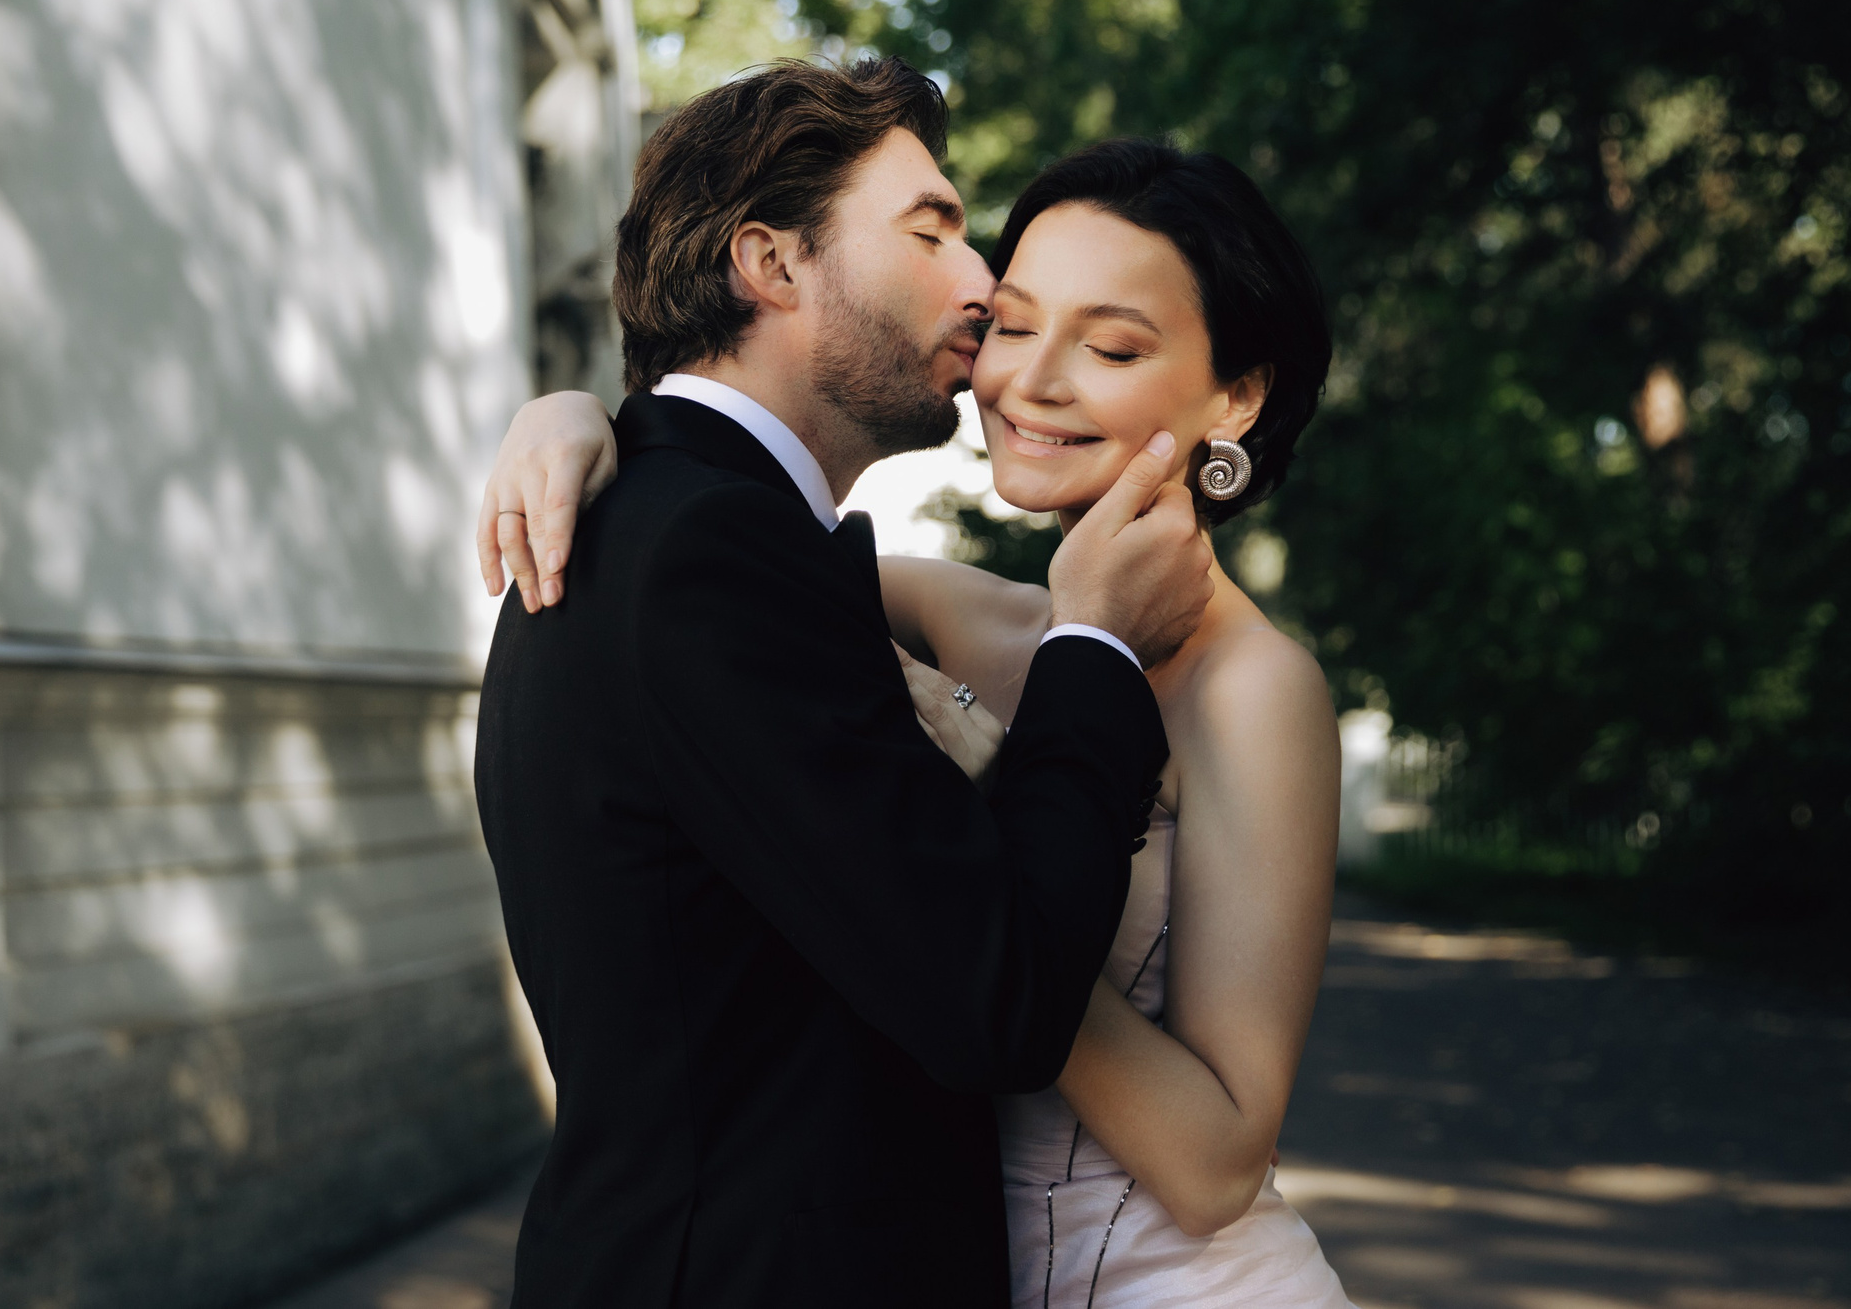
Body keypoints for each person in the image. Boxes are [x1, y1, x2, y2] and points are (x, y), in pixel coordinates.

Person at [484, 137, 1356, 1307]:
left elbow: (1215, 1165)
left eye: (1108, 347)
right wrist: (574, 421)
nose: (1029, 381)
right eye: (1012, 325)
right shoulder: (951, 613)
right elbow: (703, 550)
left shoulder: (1253, 687)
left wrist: (965, 903)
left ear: (1235, 395)